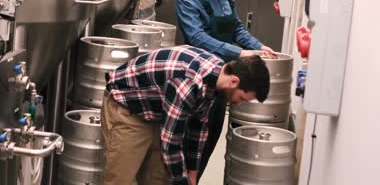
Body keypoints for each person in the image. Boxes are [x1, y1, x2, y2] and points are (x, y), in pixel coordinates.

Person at [101, 45, 270, 185]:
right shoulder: (188, 82)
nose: (239, 103)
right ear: (234, 81)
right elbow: (171, 143)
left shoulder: (217, 76)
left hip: (159, 112)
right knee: (120, 178)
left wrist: (192, 172)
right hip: (129, 106)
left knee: (158, 179)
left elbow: (199, 126)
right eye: (241, 98)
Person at [175, 0, 275, 181]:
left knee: (210, 138)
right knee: (190, 142)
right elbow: (198, 37)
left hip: (225, 79)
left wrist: (258, 46)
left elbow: (237, 27)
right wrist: (239, 52)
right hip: (198, 80)